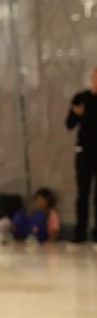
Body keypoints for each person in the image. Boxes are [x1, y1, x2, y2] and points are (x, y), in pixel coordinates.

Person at [65, 66, 97, 245]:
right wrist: (78, 115)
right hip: (84, 151)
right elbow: (69, 124)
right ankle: (80, 233)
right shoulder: (81, 98)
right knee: (82, 193)